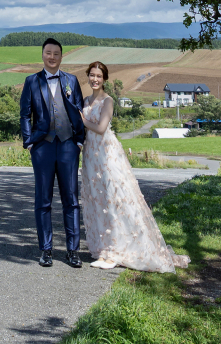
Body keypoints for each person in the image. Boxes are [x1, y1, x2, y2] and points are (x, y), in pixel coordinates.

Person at [80, 61, 190, 271]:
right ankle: (104, 249)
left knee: (115, 201)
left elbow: (101, 128)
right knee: (97, 200)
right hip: (90, 156)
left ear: (104, 79)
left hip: (106, 154)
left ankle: (117, 251)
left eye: (99, 76)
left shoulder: (108, 101)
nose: (95, 79)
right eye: (92, 75)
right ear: (88, 76)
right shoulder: (86, 100)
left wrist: (81, 119)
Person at [19, 38, 85, 268]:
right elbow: (25, 114)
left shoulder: (72, 80)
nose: (52, 57)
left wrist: (79, 141)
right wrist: (29, 142)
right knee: (43, 200)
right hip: (42, 146)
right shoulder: (31, 81)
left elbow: (79, 110)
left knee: (72, 200)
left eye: (56, 53)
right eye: (48, 53)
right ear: (43, 55)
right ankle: (46, 249)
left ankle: (72, 251)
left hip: (68, 145)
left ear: (61, 56)